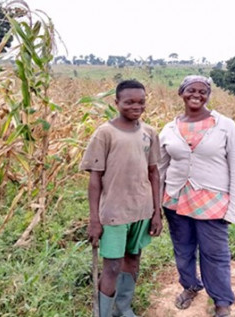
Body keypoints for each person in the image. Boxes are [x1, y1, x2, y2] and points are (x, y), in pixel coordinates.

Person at [158, 75, 235, 317]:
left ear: (208, 95)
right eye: (191, 90)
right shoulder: (169, 129)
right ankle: (190, 286)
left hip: (213, 203)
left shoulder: (225, 126)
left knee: (215, 254)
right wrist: (156, 205)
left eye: (202, 91)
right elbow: (160, 169)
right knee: (183, 249)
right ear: (181, 93)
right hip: (175, 201)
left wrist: (234, 210)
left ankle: (221, 301)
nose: (196, 95)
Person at [80, 79, 163, 317]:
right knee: (112, 265)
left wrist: (157, 213)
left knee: (133, 259)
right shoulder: (104, 134)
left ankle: (123, 309)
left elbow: (153, 173)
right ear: (116, 103)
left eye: (141, 102)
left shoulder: (149, 133)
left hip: (142, 210)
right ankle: (103, 313)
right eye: (129, 102)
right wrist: (94, 219)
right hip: (114, 213)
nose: (135, 106)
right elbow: (95, 180)